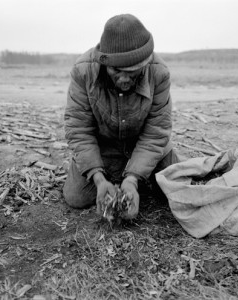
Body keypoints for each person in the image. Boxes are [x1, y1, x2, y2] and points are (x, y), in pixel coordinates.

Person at [63, 14, 179, 219]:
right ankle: (114, 177)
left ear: (145, 63)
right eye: (116, 70)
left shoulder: (159, 73)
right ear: (104, 62)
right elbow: (79, 130)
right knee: (76, 197)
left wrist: (133, 179)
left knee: (174, 192)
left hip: (142, 143)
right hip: (105, 145)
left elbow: (156, 132)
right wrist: (98, 179)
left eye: (132, 71)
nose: (124, 78)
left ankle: (134, 178)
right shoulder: (83, 71)